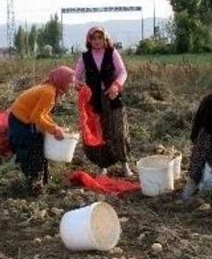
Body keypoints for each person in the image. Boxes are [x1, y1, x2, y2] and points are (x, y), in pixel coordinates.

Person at [74, 26, 133, 177]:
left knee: (118, 130)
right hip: (94, 100)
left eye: (100, 38)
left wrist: (116, 85)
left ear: (105, 38)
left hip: (112, 97)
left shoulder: (112, 53)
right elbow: (76, 76)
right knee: (100, 131)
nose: (97, 41)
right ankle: (102, 166)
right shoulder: (85, 57)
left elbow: (122, 72)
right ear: (89, 40)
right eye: (94, 38)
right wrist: (77, 84)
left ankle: (125, 165)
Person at [8, 66, 74, 195]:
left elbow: (43, 114)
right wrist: (54, 129)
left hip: (23, 119)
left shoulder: (51, 89)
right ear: (61, 80)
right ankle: (34, 186)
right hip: (20, 122)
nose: (71, 85)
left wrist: (55, 127)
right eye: (69, 82)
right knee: (32, 150)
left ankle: (41, 182)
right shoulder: (49, 93)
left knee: (39, 147)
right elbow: (36, 116)